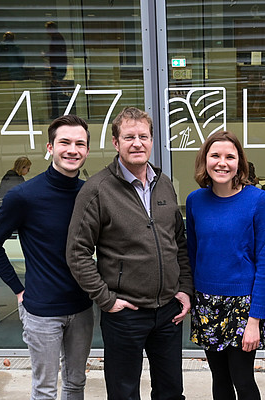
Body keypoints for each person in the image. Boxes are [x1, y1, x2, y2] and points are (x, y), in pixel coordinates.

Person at [66, 106, 193, 399]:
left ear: (152, 141)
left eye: (143, 137)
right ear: (116, 142)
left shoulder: (164, 183)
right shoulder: (97, 189)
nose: (137, 143)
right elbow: (77, 251)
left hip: (168, 311)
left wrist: (185, 288)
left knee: (171, 392)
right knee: (124, 393)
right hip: (125, 313)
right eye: (129, 137)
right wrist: (106, 299)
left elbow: (178, 241)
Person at [0, 115, 93, 399]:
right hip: (41, 311)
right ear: (50, 147)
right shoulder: (24, 196)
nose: (72, 150)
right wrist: (18, 289)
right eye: (65, 142)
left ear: (87, 150)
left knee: (76, 384)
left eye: (80, 144)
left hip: (82, 307)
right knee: (44, 389)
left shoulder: (89, 194)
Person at [185, 131, 265, 399]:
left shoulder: (256, 200)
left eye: (230, 157)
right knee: (220, 380)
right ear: (205, 160)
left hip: (243, 307)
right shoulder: (195, 201)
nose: (222, 163)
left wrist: (255, 319)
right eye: (215, 155)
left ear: (239, 162)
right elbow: (193, 254)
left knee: (243, 380)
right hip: (206, 303)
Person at [44, 21, 67, 119]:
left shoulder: (56, 38)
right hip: (58, 67)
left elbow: (56, 54)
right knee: (56, 91)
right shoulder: (58, 38)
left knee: (55, 92)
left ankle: (56, 113)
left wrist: (47, 55)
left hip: (57, 68)